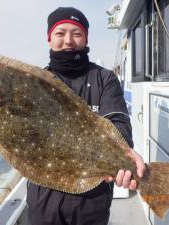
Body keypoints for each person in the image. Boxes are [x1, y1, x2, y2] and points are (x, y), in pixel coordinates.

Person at [26, 7, 146, 225]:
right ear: (49, 38)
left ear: (86, 38)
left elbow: (117, 121)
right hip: (44, 194)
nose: (68, 40)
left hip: (92, 197)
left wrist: (123, 153)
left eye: (77, 33)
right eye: (60, 33)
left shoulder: (104, 78)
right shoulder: (35, 83)